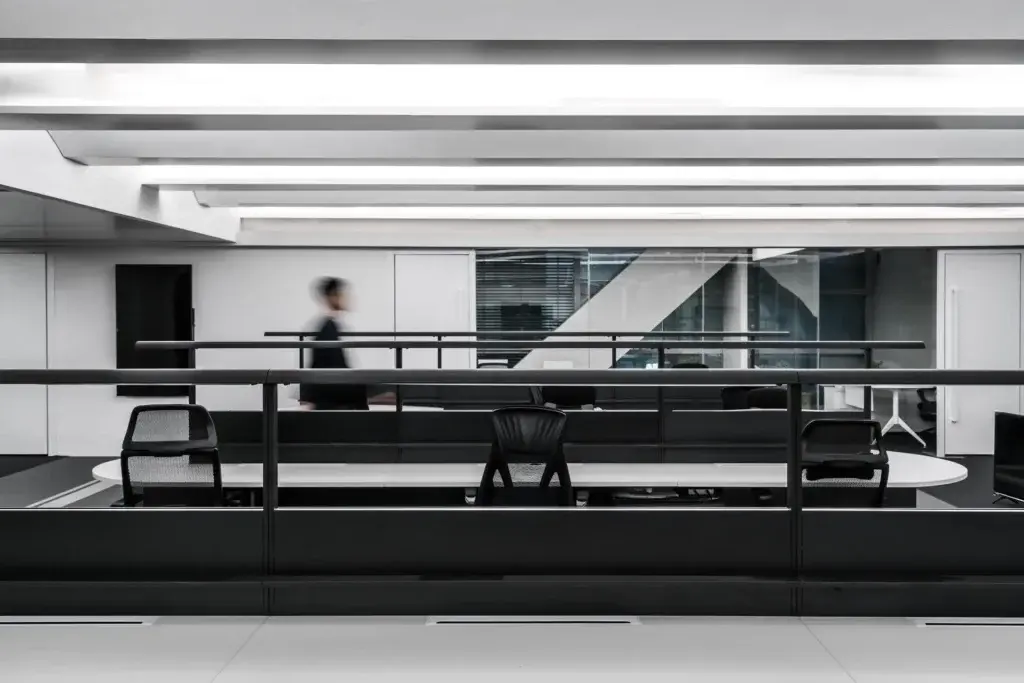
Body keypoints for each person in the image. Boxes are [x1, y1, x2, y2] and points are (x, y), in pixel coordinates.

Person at [299, 277, 369, 410]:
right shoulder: (328, 328)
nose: (348, 298)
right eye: (344, 294)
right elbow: (333, 371)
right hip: (333, 403)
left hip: (331, 399)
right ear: (333, 297)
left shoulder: (329, 326)